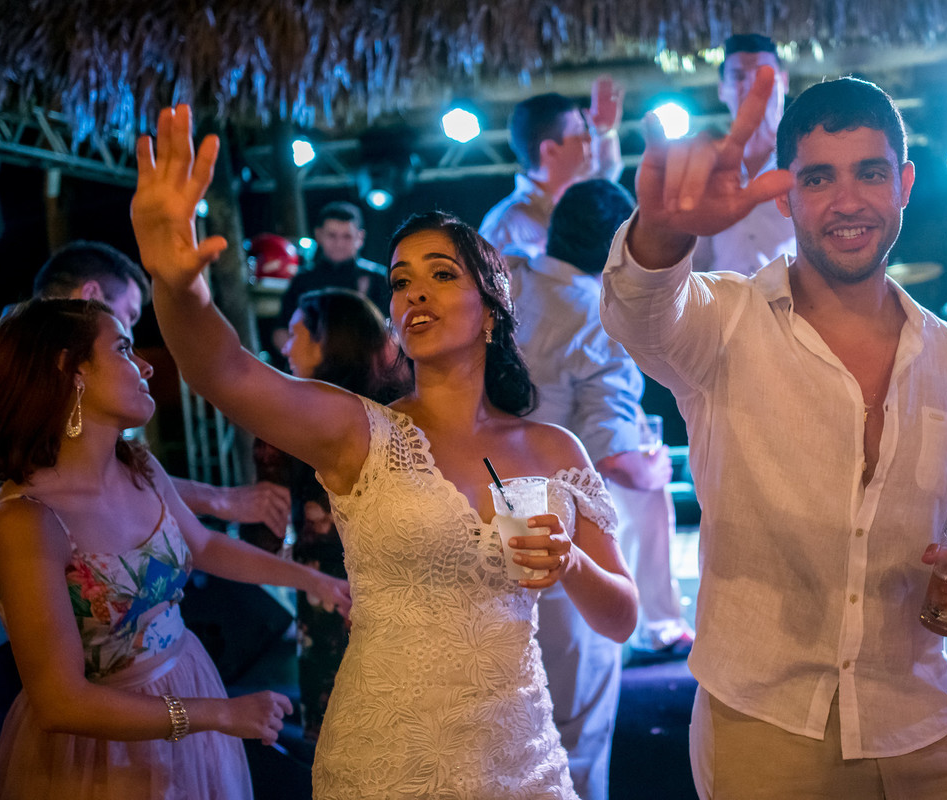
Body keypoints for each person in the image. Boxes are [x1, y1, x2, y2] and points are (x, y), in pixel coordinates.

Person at [130, 105, 638, 798]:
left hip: (519, 758)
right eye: (401, 281)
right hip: (385, 756)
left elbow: (621, 615)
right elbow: (227, 374)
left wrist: (570, 561)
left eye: (441, 275)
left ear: (491, 310)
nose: (415, 293)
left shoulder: (553, 446)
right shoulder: (358, 431)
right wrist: (177, 285)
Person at [600, 72, 947, 798]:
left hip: (922, 713)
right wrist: (664, 231)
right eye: (819, 178)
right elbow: (638, 311)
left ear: (905, 183)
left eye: (871, 174)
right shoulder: (723, 322)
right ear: (785, 191)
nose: (848, 201)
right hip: (766, 720)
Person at [0, 297, 351, 800]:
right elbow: (61, 703)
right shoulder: (26, 521)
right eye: (124, 348)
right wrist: (220, 713)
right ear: (70, 370)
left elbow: (205, 544)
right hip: (98, 751)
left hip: (188, 681)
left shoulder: (138, 465)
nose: (147, 364)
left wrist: (318, 581)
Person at [0, 241, 290, 667]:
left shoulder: (18, 358)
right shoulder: (5, 365)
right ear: (92, 296)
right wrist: (221, 500)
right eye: (129, 321)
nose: (137, 348)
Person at [508, 178, 689, 799]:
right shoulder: (596, 315)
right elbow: (613, 455)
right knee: (573, 735)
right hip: (558, 539)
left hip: (471, 511)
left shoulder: (500, 279)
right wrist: (658, 469)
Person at [274, 288, 410, 741]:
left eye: (296, 334)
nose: (285, 347)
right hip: (364, 592)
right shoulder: (393, 415)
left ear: (329, 341)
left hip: (341, 596)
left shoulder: (295, 422)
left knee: (344, 728)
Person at [479, 77, 625, 260]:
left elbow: (605, 174)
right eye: (579, 132)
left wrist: (604, 132)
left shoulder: (577, 200)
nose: (589, 138)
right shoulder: (505, 225)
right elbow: (488, 286)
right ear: (550, 150)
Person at [691, 34, 796, 275]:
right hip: (723, 306)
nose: (750, 85)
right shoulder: (708, 164)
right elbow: (696, 261)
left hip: (795, 305)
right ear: (721, 89)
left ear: (784, 81)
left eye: (762, 75)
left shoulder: (807, 157)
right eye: (738, 76)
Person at [273, 202, 390, 346]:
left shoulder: (377, 278)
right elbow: (281, 331)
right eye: (332, 236)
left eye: (347, 236)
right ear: (319, 235)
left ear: (360, 237)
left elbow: (392, 328)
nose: (339, 244)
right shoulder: (302, 280)